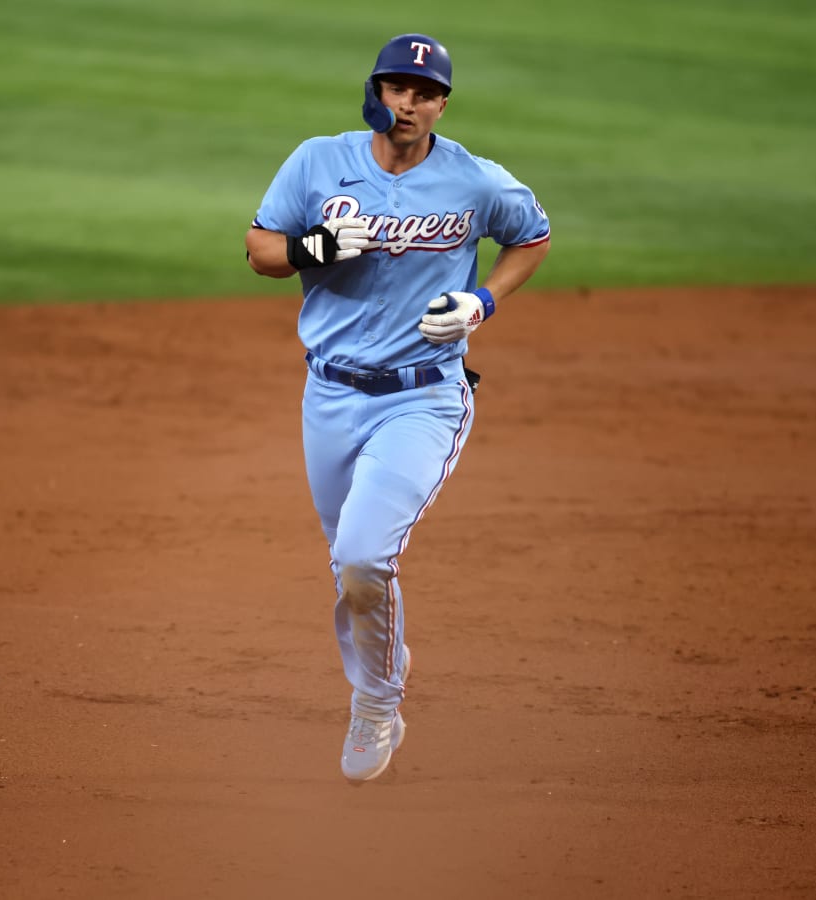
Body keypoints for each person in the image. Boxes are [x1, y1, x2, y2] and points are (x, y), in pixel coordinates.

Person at [244, 33, 551, 783]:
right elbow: (259, 249)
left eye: (423, 93)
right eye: (395, 87)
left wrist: (482, 301)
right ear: (375, 92)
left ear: (442, 104)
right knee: (347, 566)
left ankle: (377, 702)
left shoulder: (474, 182)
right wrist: (315, 249)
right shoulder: (319, 160)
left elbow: (532, 238)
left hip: (423, 397)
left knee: (363, 556)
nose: (407, 103)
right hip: (328, 395)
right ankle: (382, 661)